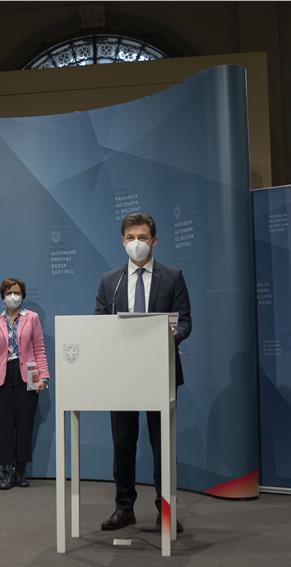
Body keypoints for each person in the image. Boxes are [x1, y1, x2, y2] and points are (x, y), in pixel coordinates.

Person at [93, 212, 191, 532]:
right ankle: (124, 508)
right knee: (123, 444)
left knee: (162, 446)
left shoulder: (172, 276)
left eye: (142, 237)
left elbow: (185, 322)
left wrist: (169, 335)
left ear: (154, 241)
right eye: (130, 238)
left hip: (160, 372)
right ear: (122, 241)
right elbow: (98, 324)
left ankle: (165, 510)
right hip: (121, 376)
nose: (136, 243)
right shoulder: (110, 281)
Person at [0, 278, 50, 489]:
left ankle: (21, 470)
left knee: (24, 423)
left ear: (23, 295)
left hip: (27, 375)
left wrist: (43, 377)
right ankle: (7, 471)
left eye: (17, 292)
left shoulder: (32, 318)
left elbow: (39, 349)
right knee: (3, 425)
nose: (13, 296)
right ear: (3, 296)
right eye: (9, 292)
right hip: (1, 376)